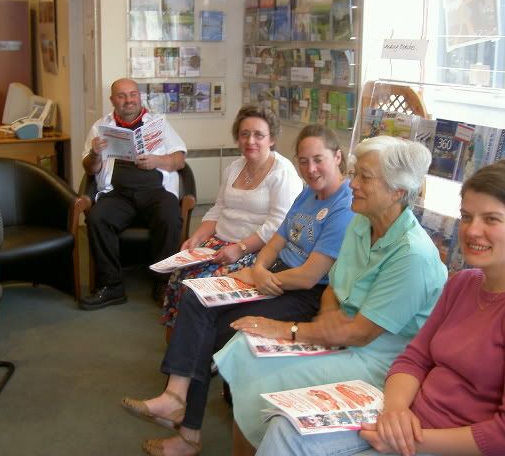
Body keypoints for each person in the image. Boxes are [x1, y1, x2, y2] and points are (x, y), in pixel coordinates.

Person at [256, 157, 505, 456]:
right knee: (286, 430)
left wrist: (408, 438)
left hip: (445, 444)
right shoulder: (464, 283)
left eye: (491, 219)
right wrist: (395, 412)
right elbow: (415, 357)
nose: (472, 231)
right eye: (467, 217)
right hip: (407, 420)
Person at [122, 124, 356, 456]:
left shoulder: (344, 206)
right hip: (271, 273)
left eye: (318, 160)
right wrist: (259, 268)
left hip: (304, 294)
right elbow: (277, 240)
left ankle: (187, 433)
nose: (311, 169)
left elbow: (309, 276)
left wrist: (259, 277)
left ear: (337, 157)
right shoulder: (308, 192)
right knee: (195, 297)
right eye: (303, 161)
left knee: (213, 329)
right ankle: (175, 396)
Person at [214, 135, 448, 455]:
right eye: (355, 174)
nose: (353, 184)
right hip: (338, 335)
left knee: (265, 374)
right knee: (245, 347)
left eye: (365, 177)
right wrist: (324, 325)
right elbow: (334, 289)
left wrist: (289, 330)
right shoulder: (361, 224)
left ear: (398, 192)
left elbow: (360, 333)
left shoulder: (413, 255)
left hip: (378, 362)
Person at [161, 104, 304, 330]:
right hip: (219, 244)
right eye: (244, 134)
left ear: (272, 139)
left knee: (199, 287)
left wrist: (240, 248)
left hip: (256, 251)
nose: (250, 141)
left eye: (259, 135)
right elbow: (218, 210)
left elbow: (278, 225)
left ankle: (198, 346)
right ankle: (180, 341)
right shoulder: (234, 167)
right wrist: (196, 239)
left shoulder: (283, 173)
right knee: (180, 274)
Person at [79, 78, 186, 309]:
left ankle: (163, 284)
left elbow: (180, 160)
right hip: (118, 194)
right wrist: (95, 154)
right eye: (122, 96)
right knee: (98, 218)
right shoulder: (100, 127)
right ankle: (112, 286)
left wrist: (157, 160)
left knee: (169, 216)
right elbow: (90, 168)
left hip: (155, 191)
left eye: (133, 94)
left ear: (139, 96)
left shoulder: (158, 124)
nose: (129, 100)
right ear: (112, 100)